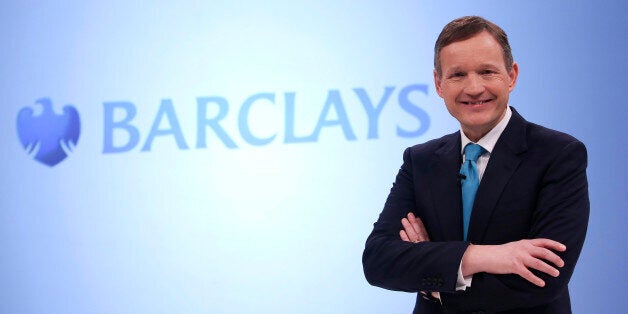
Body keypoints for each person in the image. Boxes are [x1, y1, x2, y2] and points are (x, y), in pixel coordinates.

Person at [362, 16, 589, 314]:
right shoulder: (420, 161)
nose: (473, 87)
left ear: (512, 75)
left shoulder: (559, 155)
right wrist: (481, 257)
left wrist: (437, 284)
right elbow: (378, 260)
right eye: (457, 75)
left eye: (487, 71)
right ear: (439, 83)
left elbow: (544, 278)